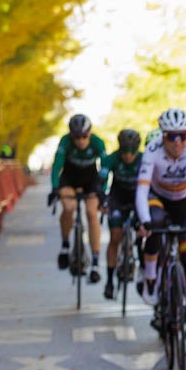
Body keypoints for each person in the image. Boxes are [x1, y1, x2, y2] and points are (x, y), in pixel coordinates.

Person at [136, 108, 186, 352]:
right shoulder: (152, 150)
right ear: (163, 136)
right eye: (172, 137)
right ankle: (150, 278)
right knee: (155, 223)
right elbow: (141, 190)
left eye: (183, 135)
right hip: (158, 199)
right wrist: (145, 222)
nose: (178, 142)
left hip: (185, 204)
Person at [50, 114, 106, 283]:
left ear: (90, 133)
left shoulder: (98, 143)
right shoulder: (65, 142)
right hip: (69, 178)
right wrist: (54, 188)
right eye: (77, 137)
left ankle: (95, 262)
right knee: (69, 208)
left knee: (92, 213)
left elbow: (105, 167)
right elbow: (57, 166)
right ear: (71, 135)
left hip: (90, 180)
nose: (81, 141)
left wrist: (102, 190)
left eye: (84, 136)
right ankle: (66, 245)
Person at [99, 128, 143, 299]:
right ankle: (109, 281)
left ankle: (142, 272)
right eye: (124, 151)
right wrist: (102, 199)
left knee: (143, 233)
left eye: (132, 152)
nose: (128, 156)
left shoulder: (144, 160)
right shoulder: (111, 159)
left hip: (138, 199)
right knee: (115, 237)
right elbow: (101, 181)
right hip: (117, 198)